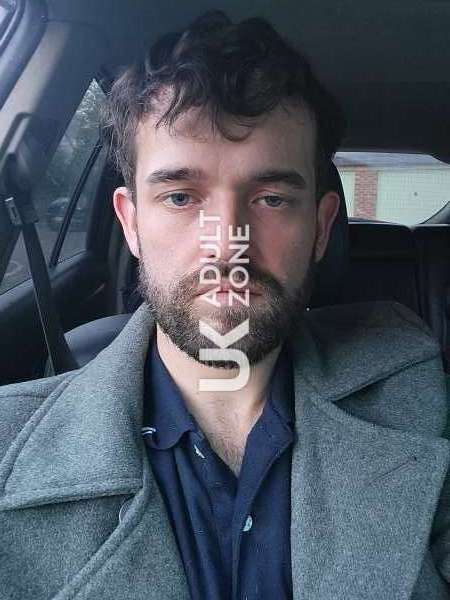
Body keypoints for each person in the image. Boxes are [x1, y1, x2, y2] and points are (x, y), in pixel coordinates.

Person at [0, 10, 449, 600]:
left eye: (271, 198)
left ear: (321, 228)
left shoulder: (423, 396)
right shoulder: (8, 448)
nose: (226, 244)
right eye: (181, 197)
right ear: (130, 223)